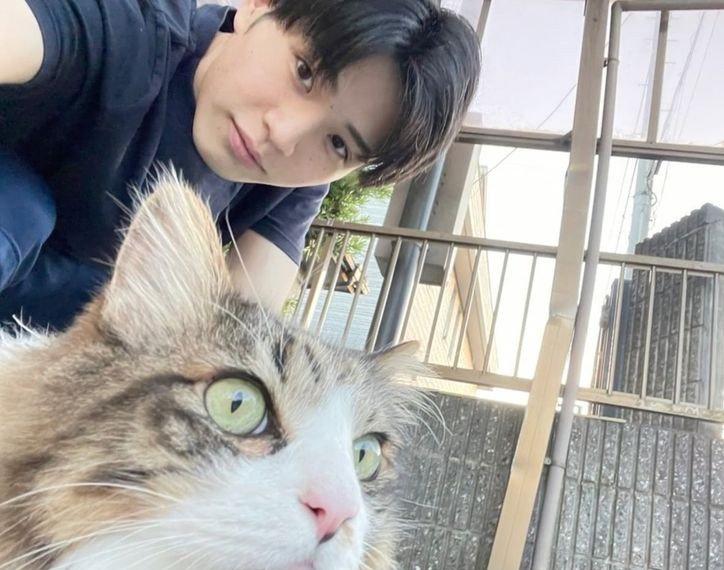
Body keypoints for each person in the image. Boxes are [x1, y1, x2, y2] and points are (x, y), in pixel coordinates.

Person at [0, 0, 480, 329]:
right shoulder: (132, 28)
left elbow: (229, 339)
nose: (284, 135)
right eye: (304, 72)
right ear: (259, 5)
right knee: (20, 210)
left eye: (338, 143)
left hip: (37, 332)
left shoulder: (291, 184)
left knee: (158, 321)